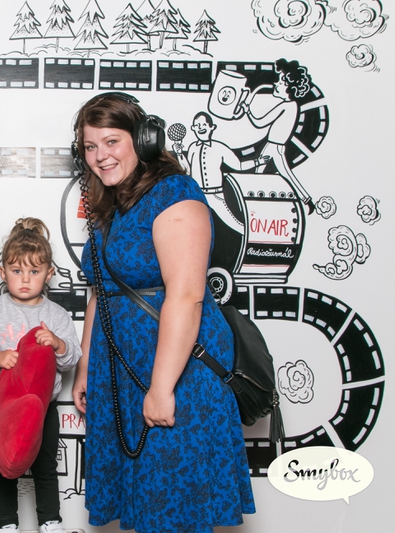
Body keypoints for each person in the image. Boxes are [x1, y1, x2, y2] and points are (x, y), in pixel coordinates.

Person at [70, 92, 255, 533]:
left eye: (111, 142)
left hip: (176, 372)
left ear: (144, 139)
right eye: (90, 147)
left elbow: (188, 296)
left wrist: (161, 388)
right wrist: (85, 367)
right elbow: (102, 292)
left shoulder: (174, 194)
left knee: (174, 507)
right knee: (144, 506)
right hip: (122, 373)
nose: (100, 156)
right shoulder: (112, 202)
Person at [0, 217, 81, 533]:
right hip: (5, 401)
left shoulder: (56, 314)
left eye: (34, 272)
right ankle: (6, 523)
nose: (25, 279)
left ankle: (50, 520)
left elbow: (72, 359)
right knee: (3, 463)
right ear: (2, 272)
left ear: (49, 274)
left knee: (45, 465)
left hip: (43, 404)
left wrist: (58, 343)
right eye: (16, 271)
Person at [240, 58, 315, 214]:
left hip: (275, 146)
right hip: (273, 146)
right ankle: (304, 200)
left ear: (289, 87)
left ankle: (305, 201)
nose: (276, 84)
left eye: (280, 82)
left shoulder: (286, 106)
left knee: (277, 175)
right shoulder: (292, 106)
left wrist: (247, 110)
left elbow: (260, 122)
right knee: (263, 174)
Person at [175, 111, 270, 232]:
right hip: (197, 195)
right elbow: (188, 171)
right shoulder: (193, 147)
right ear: (193, 128)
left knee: (234, 224)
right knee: (194, 228)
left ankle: (251, 237)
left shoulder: (219, 147)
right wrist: (179, 154)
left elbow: (239, 166)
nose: (200, 128)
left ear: (212, 127)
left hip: (216, 195)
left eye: (204, 125)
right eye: (197, 125)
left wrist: (258, 162)